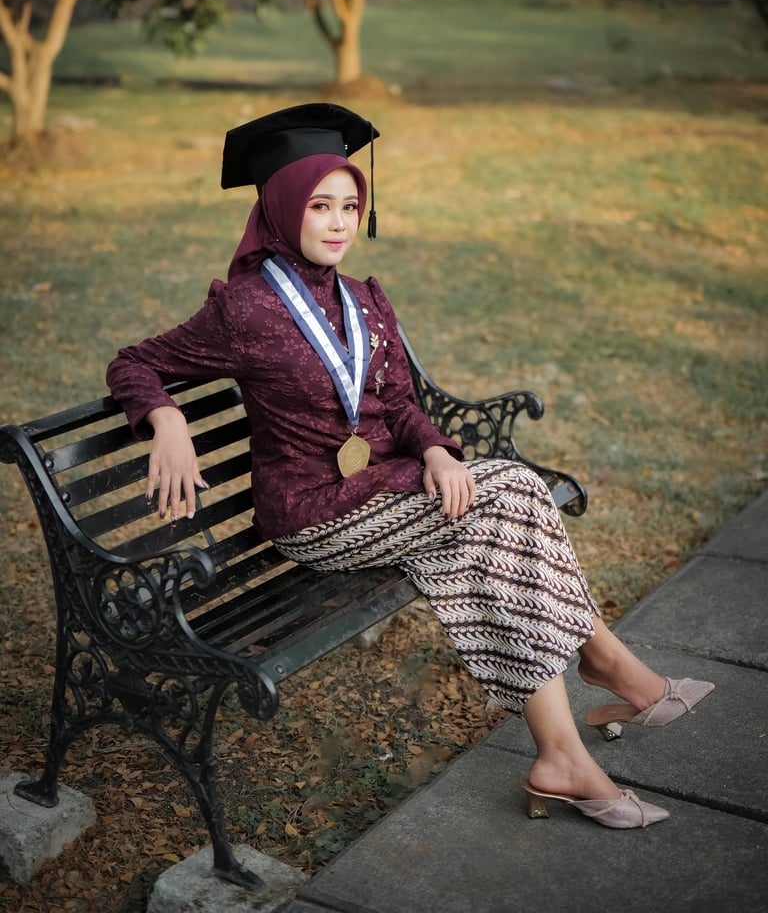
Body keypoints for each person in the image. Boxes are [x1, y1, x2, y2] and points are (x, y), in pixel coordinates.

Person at [107, 102, 714, 830]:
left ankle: (564, 754)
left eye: (350, 205)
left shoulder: (364, 299)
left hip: (390, 491)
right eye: (320, 206)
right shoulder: (245, 310)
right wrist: (167, 418)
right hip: (316, 514)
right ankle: (607, 666)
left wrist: (432, 448)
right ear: (281, 208)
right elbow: (134, 361)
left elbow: (397, 403)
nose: (339, 222)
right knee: (510, 495)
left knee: (487, 531)